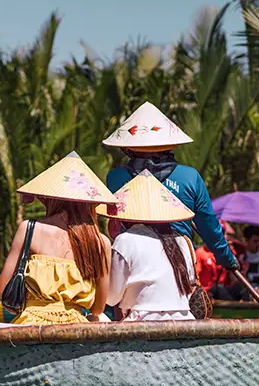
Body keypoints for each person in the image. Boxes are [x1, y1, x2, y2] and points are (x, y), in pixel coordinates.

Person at [103, 102, 240, 276]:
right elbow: (209, 226)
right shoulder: (189, 177)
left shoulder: (115, 178)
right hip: (179, 265)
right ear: (169, 145)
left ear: (127, 148)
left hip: (131, 262)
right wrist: (226, 259)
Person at [0, 152, 115, 325]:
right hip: (76, 329)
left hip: (30, 326)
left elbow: (1, 290)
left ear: (49, 198)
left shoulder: (30, 229)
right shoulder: (100, 242)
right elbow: (98, 309)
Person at [97, 171, 198, 321]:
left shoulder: (126, 240)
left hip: (142, 321)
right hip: (185, 319)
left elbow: (111, 298)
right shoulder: (182, 241)